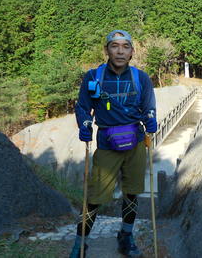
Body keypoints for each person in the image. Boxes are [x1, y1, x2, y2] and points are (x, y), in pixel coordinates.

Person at [70, 30, 157, 257]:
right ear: (106, 50)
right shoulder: (94, 77)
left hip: (135, 142)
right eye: (114, 46)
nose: (120, 51)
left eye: (125, 46)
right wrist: (85, 123)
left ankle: (126, 236)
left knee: (132, 193)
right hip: (107, 142)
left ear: (132, 52)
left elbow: (148, 106)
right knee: (95, 197)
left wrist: (151, 119)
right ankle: (81, 243)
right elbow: (82, 106)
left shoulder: (141, 78)